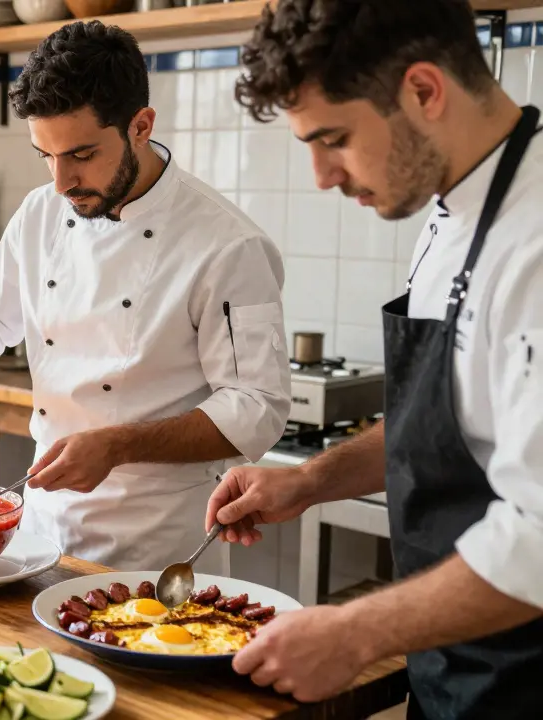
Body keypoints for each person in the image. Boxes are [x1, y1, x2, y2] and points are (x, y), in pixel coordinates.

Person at [207, 1, 543, 715]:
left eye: (333, 138)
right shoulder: (450, 211)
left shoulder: (536, 239)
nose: (323, 176)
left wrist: (354, 632)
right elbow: (446, 419)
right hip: (460, 672)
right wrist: (307, 483)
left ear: (424, 91)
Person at [0, 20, 292, 572]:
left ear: (140, 125)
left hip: (155, 552)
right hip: (39, 533)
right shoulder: (43, 212)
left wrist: (117, 445)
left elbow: (257, 408)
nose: (61, 182)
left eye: (81, 155)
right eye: (45, 156)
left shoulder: (228, 245)